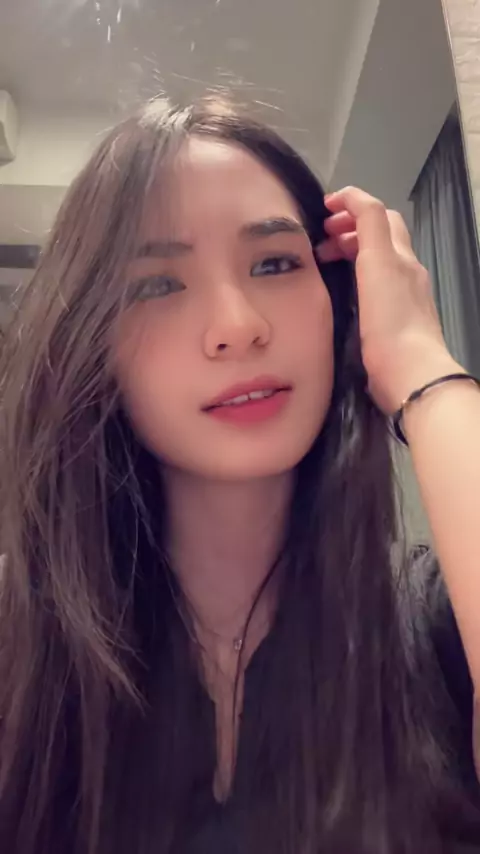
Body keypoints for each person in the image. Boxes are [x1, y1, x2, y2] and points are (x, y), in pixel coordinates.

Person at [0, 96, 479, 854]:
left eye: (275, 264)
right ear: (92, 347)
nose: (238, 325)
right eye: (157, 285)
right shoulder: (22, 637)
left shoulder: (435, 621)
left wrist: (422, 367)